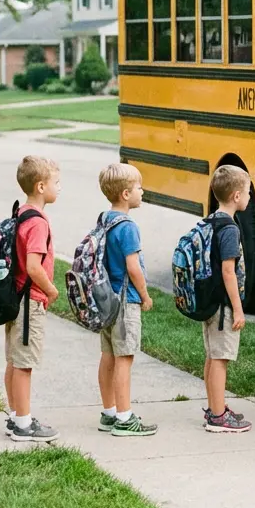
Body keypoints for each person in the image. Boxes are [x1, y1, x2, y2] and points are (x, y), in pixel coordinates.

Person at [96, 163, 157, 437]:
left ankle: (109, 412)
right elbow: (133, 267)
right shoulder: (128, 227)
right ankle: (124, 418)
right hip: (125, 301)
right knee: (125, 359)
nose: (142, 191)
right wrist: (145, 296)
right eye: (139, 187)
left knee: (108, 356)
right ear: (124, 193)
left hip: (107, 300)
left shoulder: (104, 220)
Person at [6, 155, 61, 443]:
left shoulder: (21, 212)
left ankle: (16, 417)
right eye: (56, 182)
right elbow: (33, 266)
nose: (59, 188)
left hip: (15, 297)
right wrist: (50, 289)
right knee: (24, 363)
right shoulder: (38, 223)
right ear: (41, 186)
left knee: (14, 361)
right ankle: (24, 424)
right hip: (31, 301)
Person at [203, 165, 253, 433]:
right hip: (223, 307)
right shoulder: (230, 229)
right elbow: (228, 271)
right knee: (221, 358)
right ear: (236, 196)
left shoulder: (210, 220)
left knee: (212, 356)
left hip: (211, 301)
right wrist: (238, 308)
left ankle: (214, 407)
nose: (249, 197)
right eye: (247, 192)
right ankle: (219, 416)